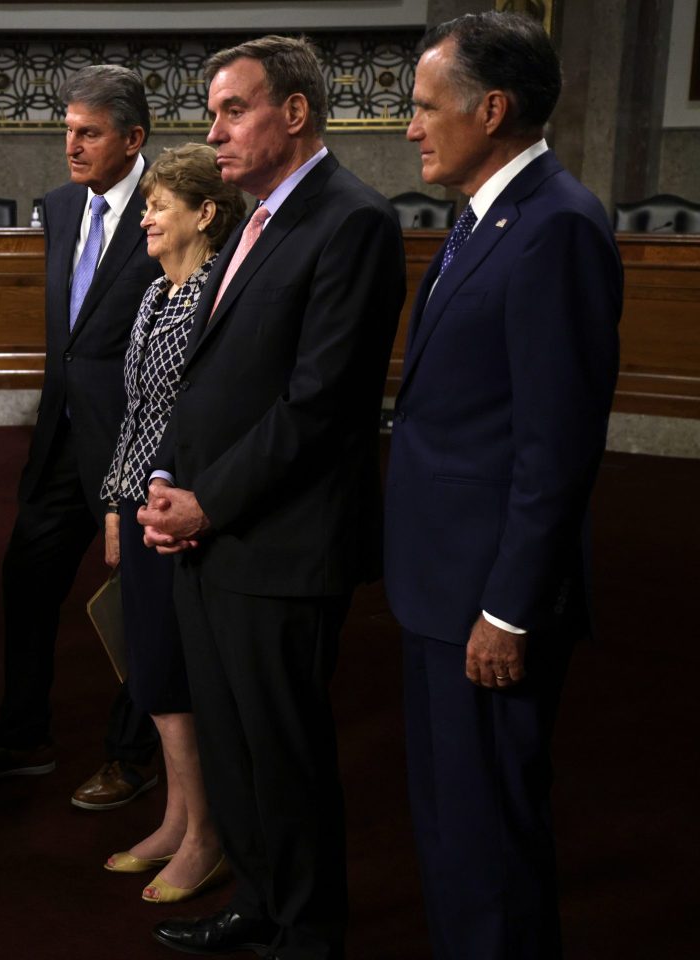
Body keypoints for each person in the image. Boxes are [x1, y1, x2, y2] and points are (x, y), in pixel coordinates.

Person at [140, 37, 405, 958]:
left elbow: (322, 403)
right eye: (211, 113)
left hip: (284, 541)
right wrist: (170, 479)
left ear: (294, 113)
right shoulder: (253, 218)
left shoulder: (352, 220)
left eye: (232, 110)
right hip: (212, 533)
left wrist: (209, 502)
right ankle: (258, 898)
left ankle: (308, 930)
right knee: (235, 743)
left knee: (284, 752)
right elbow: (205, 378)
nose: (212, 132)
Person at [386, 13, 621, 959]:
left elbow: (555, 446)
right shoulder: (485, 218)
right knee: (451, 824)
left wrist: (512, 611)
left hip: (490, 602)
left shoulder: (557, 225)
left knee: (491, 838)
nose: (409, 128)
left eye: (422, 107)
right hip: (442, 588)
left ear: (492, 109)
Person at [0, 65, 163, 811]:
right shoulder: (63, 206)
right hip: (60, 439)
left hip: (134, 445)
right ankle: (23, 736)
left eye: (88, 133)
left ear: (132, 138)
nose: (71, 145)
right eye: (67, 130)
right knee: (26, 579)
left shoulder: (174, 209)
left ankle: (134, 756)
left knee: (139, 604)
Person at [97, 144, 246, 904]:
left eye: (159, 206)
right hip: (140, 506)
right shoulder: (157, 293)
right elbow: (136, 411)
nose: (146, 217)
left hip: (187, 514)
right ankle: (177, 818)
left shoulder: (217, 294)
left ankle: (206, 835)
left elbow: (198, 420)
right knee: (152, 669)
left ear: (206, 214)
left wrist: (160, 501)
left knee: (183, 677)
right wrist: (116, 504)